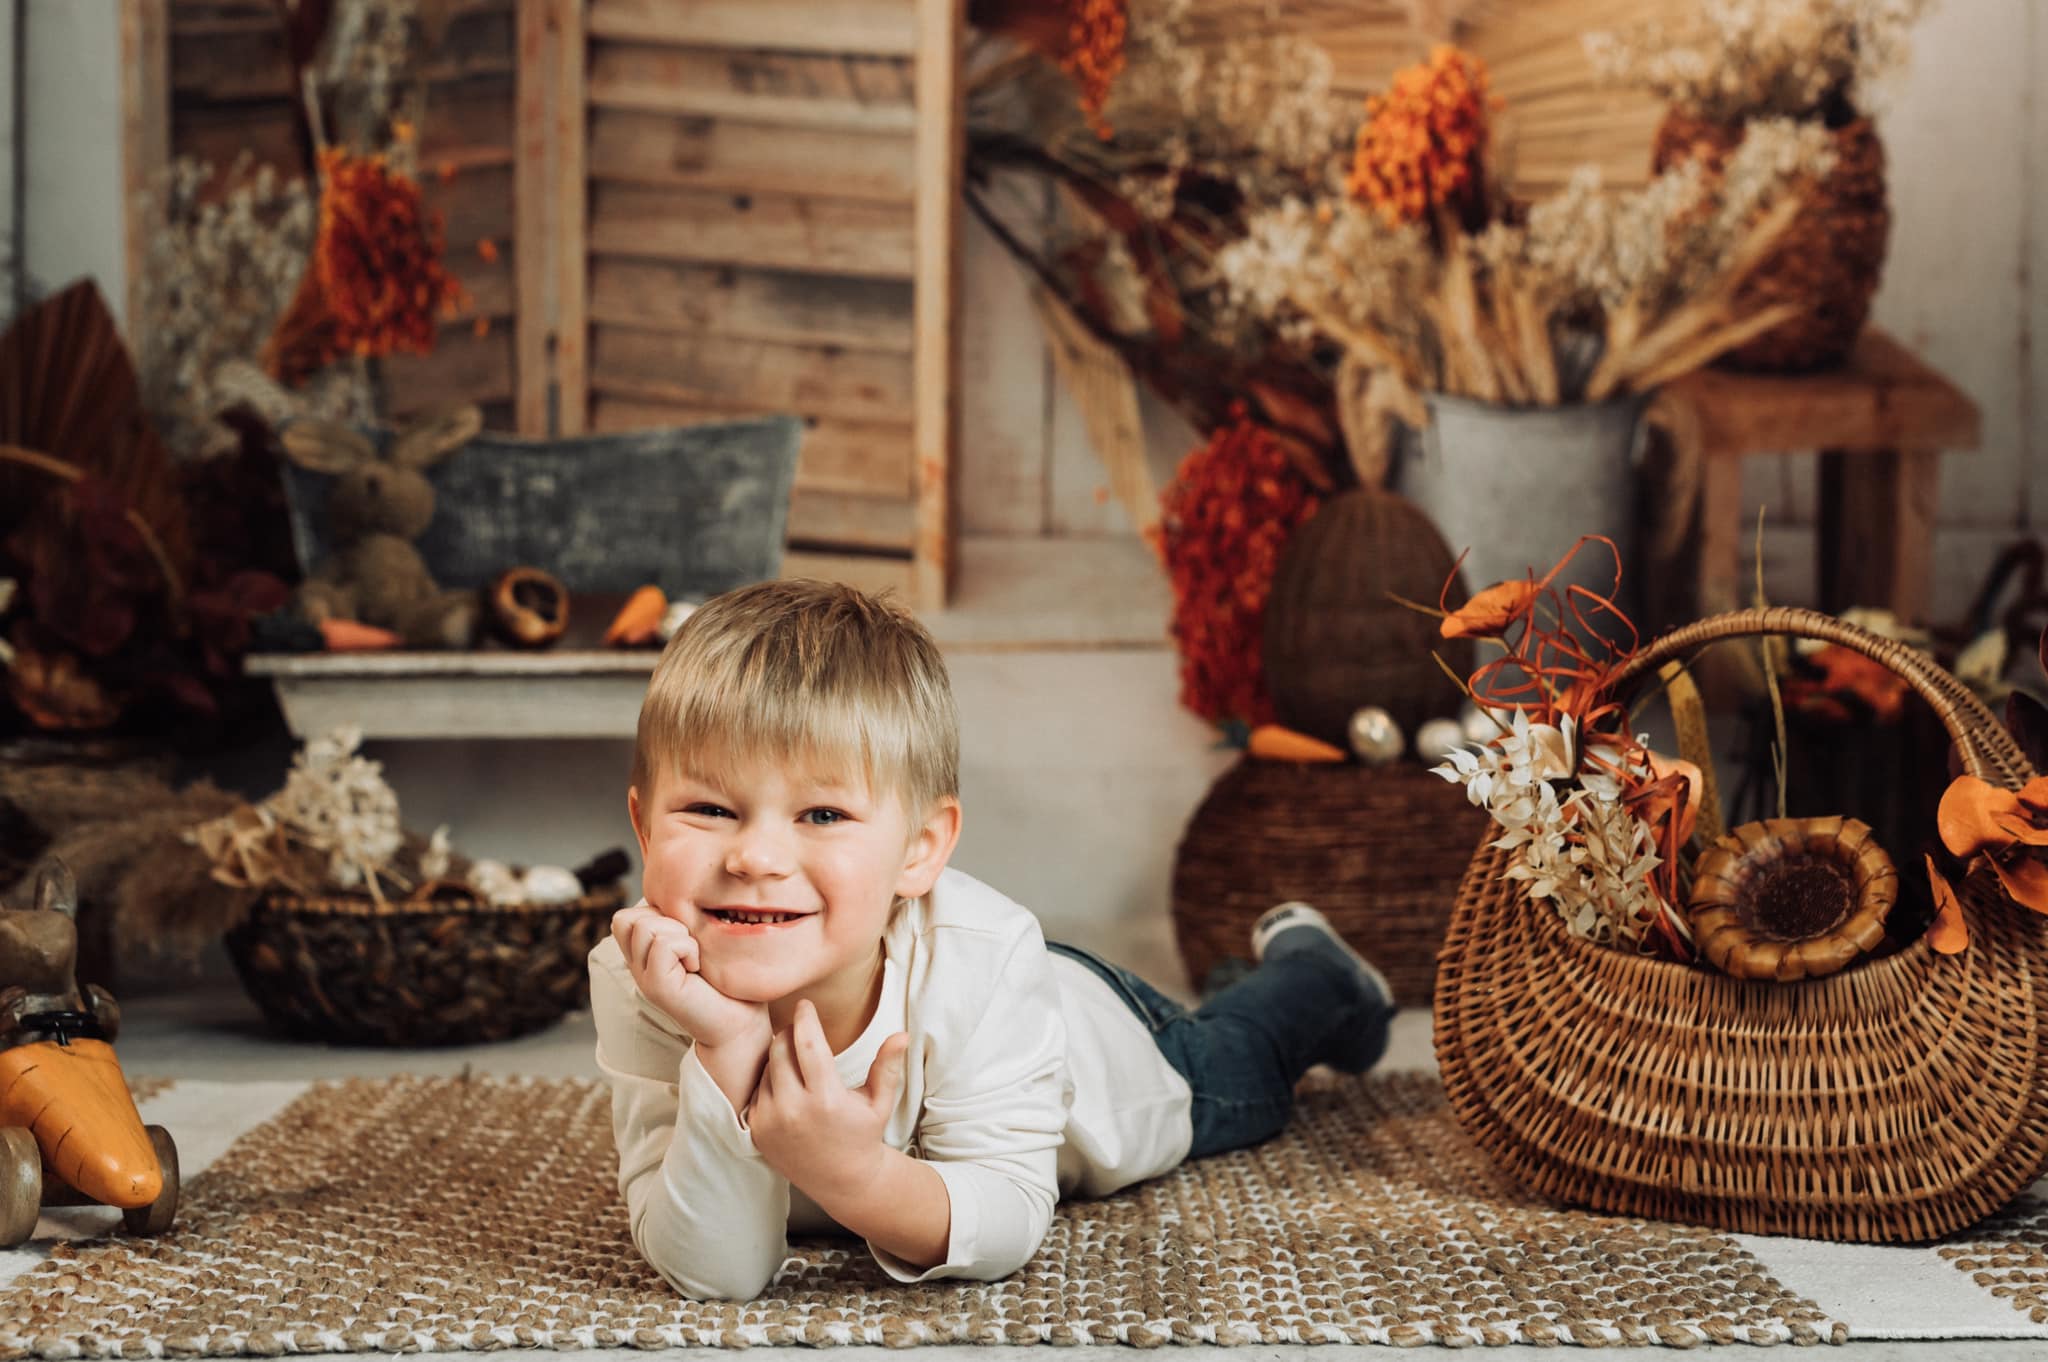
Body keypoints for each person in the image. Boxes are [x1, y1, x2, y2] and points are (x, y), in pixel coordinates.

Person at [588, 579, 1396, 1300]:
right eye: (709, 810)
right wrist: (726, 1050)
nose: (754, 857)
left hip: (1101, 1042)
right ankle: (1256, 974)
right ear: (644, 828)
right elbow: (712, 1271)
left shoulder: (981, 957)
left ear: (921, 850)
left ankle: (1319, 972)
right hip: (998, 990)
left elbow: (1008, 1219)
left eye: (822, 815)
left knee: (1244, 1065)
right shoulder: (641, 977)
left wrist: (852, 1173)